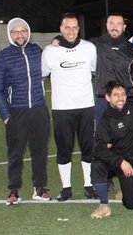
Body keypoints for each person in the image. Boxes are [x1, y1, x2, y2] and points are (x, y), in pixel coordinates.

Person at [0, 17, 52, 204]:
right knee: (15, 153)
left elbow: (51, 62)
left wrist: (57, 40)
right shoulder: (1, 57)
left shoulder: (37, 51)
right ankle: (13, 190)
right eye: (15, 32)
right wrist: (6, 116)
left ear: (28, 32)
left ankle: (39, 188)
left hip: (39, 110)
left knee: (40, 151)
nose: (20, 35)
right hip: (16, 112)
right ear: (10, 34)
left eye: (23, 31)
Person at [42, 13, 98, 202]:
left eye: (74, 27)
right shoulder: (50, 51)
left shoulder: (89, 48)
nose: (71, 31)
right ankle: (66, 187)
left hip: (86, 106)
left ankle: (88, 185)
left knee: (88, 147)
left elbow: (95, 69)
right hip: (61, 108)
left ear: (79, 29)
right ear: (61, 28)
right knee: (64, 149)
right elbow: (42, 74)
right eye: (67, 27)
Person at [90, 81, 133, 218]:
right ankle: (104, 205)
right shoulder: (106, 119)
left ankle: (128, 186)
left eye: (123, 94)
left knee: (131, 204)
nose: (121, 98)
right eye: (116, 95)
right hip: (117, 161)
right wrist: (119, 161)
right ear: (108, 98)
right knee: (97, 164)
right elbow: (97, 147)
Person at [91, 13, 133, 123]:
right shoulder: (96, 44)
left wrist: (130, 95)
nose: (114, 27)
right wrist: (58, 38)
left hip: (125, 99)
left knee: (124, 137)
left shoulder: (130, 48)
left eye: (118, 24)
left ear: (124, 27)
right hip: (103, 98)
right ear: (106, 25)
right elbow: (75, 43)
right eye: (111, 23)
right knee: (102, 137)